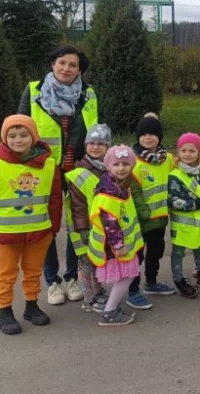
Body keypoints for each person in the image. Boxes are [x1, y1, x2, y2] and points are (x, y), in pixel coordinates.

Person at [19, 45, 98, 306]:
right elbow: (20, 128)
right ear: (53, 64)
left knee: (78, 225)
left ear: (80, 70)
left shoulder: (88, 94)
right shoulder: (34, 90)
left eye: (72, 65)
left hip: (78, 170)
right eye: (61, 62)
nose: (66, 68)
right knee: (47, 227)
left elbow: (96, 130)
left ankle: (72, 277)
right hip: (43, 171)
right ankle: (52, 281)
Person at [0, 115, 62, 335]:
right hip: (5, 233)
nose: (18, 140)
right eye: (12, 135)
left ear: (33, 136)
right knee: (5, 274)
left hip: (39, 231)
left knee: (33, 271)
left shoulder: (48, 164)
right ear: (5, 138)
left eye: (23, 134)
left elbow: (55, 199)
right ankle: (4, 310)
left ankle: (31, 306)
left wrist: (53, 228)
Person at [88, 145, 145, 327]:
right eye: (116, 164)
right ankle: (110, 312)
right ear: (108, 166)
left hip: (120, 243)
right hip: (115, 245)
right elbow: (110, 223)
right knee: (127, 276)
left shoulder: (120, 185)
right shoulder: (109, 192)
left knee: (126, 275)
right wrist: (118, 246)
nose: (121, 168)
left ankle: (111, 307)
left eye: (126, 164)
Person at [129, 115, 176, 307]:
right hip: (142, 220)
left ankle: (151, 282)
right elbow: (134, 191)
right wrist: (145, 213)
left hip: (161, 218)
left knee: (156, 252)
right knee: (136, 256)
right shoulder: (133, 162)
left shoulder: (168, 159)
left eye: (153, 134)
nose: (148, 137)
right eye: (144, 134)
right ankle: (132, 291)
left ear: (160, 137)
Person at [65, 124, 112, 313]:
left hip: (101, 226)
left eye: (100, 143)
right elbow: (78, 206)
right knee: (85, 262)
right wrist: (83, 229)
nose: (95, 147)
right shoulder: (79, 172)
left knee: (97, 261)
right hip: (83, 228)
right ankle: (88, 299)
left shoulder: (109, 169)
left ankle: (98, 291)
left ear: (108, 146)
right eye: (91, 143)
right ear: (85, 145)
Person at [168, 133, 200, 298]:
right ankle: (179, 279)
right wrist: (194, 204)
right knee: (178, 251)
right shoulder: (175, 175)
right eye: (184, 150)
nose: (187, 154)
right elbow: (172, 200)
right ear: (178, 152)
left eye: (192, 151)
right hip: (182, 224)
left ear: (199, 153)